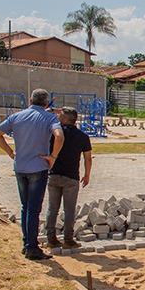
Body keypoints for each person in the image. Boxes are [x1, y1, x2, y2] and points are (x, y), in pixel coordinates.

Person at [0, 89, 64, 260]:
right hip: (38, 167)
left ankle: (26, 243)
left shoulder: (17, 116)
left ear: (30, 100)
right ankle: (32, 248)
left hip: (20, 166)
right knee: (33, 209)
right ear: (46, 103)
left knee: (25, 208)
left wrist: (10, 152)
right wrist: (53, 157)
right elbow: (59, 136)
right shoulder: (49, 118)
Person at [44, 106, 92, 250]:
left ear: (64, 118)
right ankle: (68, 240)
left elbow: (45, 116)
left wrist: (51, 111)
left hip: (53, 174)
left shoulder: (53, 134)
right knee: (69, 210)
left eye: (60, 116)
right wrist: (87, 174)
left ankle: (51, 239)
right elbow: (88, 158)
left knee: (52, 208)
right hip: (71, 177)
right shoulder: (82, 136)